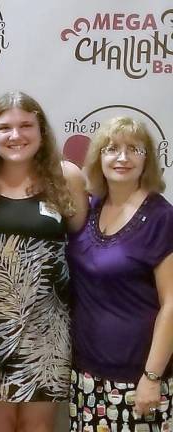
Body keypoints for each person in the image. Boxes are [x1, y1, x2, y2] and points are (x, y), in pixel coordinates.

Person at [0, 91, 88, 432]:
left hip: (46, 331)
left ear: (42, 131)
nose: (16, 135)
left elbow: (81, 240)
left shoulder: (67, 177)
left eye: (26, 125)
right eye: (5, 127)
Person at [66, 117, 173, 432]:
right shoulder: (90, 208)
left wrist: (152, 377)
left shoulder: (162, 218)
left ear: (147, 159)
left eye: (133, 149)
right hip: (86, 376)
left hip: (138, 380)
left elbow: (172, 302)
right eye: (112, 149)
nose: (122, 158)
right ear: (99, 157)